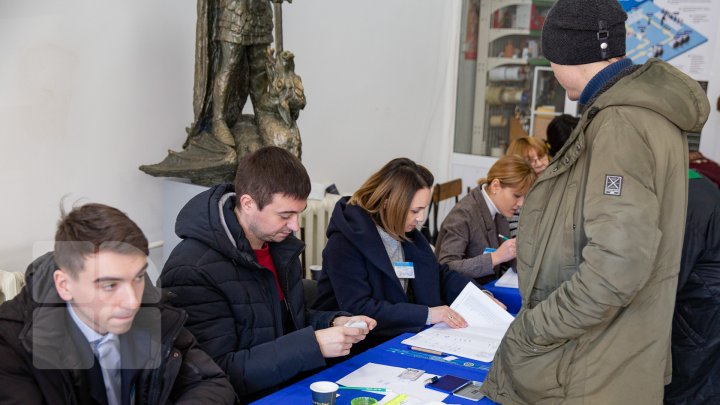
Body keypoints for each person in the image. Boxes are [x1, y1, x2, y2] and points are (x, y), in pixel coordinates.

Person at [481, 0, 710, 403]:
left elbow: (616, 266)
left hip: (593, 367)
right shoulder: (644, 114)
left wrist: (536, 327)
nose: (551, 71)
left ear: (568, 55)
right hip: (615, 355)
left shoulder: (620, 123)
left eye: (551, 58)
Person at [159, 146, 376, 402]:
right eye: (285, 215)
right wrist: (313, 345)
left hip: (289, 384)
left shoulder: (278, 246)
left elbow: (285, 322)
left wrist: (333, 322)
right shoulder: (192, 270)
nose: (295, 225)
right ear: (248, 203)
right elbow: (217, 374)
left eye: (298, 213)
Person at [0, 203, 236, 405]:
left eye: (138, 277)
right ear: (64, 285)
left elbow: (212, 383)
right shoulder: (11, 346)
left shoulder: (150, 309)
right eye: (110, 285)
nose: (132, 302)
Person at [312, 158, 473, 339]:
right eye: (414, 211)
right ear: (389, 203)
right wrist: (428, 314)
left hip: (401, 334)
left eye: (423, 209)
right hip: (360, 346)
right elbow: (359, 307)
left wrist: (478, 297)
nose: (421, 218)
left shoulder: (406, 232)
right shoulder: (344, 243)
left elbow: (437, 274)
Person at [664, 170, 720, 404]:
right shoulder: (700, 184)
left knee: (690, 392)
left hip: (700, 316)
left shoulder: (683, 198)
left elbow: (670, 277)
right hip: (705, 309)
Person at [435, 155, 536, 284]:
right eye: (516, 196)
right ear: (495, 186)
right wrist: (496, 257)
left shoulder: (499, 208)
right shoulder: (463, 215)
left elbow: (509, 260)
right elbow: (446, 267)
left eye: (524, 197)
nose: (521, 204)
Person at [504, 136, 550, 237]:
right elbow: (516, 237)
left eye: (541, 156)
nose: (539, 164)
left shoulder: (551, 186)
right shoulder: (515, 196)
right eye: (530, 160)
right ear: (517, 165)